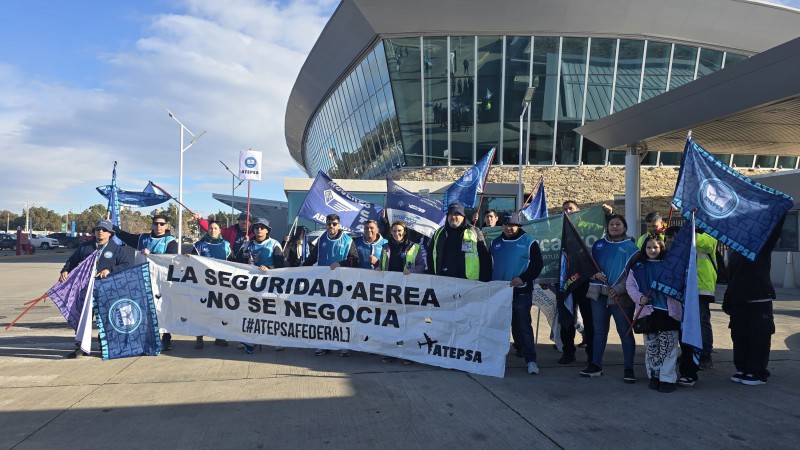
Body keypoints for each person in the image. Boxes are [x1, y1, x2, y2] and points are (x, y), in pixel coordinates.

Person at [723, 214, 785, 386]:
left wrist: (780, 213)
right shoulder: (734, 251)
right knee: (739, 335)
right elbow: (731, 278)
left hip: (759, 300)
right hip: (739, 301)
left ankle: (757, 372)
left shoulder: (762, 247)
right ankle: (742, 368)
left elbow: (774, 232)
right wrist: (728, 299)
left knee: (759, 337)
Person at [59, 219, 132, 358]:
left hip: (107, 289)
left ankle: (105, 345)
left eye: (104, 230)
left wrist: (110, 269)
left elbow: (126, 264)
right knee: (84, 318)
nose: (100, 232)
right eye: (97, 229)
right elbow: (72, 261)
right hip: (86, 289)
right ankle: (81, 346)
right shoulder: (85, 247)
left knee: (105, 318)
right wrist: (65, 270)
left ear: (110, 233)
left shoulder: (116, 249)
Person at [580, 214, 639, 383]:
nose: (614, 227)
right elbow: (588, 266)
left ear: (624, 227)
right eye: (612, 224)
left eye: (618, 224)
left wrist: (619, 289)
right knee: (599, 332)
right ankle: (595, 365)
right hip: (598, 294)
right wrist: (594, 274)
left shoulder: (632, 248)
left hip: (621, 297)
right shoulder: (598, 244)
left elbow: (634, 275)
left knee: (625, 333)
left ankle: (629, 368)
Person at [626, 236, 682, 393]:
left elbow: (680, 284)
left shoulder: (670, 266)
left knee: (668, 347)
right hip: (647, 312)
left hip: (667, 312)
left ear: (661, 248)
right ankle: (654, 376)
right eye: (649, 247)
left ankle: (668, 378)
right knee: (652, 347)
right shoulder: (638, 267)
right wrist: (639, 298)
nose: (652, 250)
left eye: (655, 247)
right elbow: (630, 286)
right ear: (644, 249)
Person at [114, 213, 179, 350]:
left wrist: (152, 255)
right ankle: (147, 337)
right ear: (152, 225)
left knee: (163, 309)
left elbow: (171, 259)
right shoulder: (143, 238)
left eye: (162, 224)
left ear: (166, 226)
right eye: (156, 223)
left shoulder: (170, 241)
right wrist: (112, 227)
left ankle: (166, 338)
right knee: (145, 310)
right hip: (143, 279)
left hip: (162, 282)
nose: (158, 226)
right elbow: (125, 236)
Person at [490, 213, 544, 375]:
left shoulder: (529, 242)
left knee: (523, 326)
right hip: (499, 292)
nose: (508, 228)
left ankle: (531, 361)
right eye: (506, 225)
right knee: (499, 326)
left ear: (518, 226)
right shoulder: (495, 242)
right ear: (502, 226)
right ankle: (496, 358)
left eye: (512, 225)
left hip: (521, 291)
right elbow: (488, 265)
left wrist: (523, 278)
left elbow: (537, 265)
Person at [304, 214, 360, 356]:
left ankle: (344, 344)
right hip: (324, 284)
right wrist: (299, 269)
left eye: (334, 224)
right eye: (329, 223)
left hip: (342, 284)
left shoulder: (348, 240)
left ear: (339, 225)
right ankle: (324, 344)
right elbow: (312, 258)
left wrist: (341, 263)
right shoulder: (322, 238)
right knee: (325, 314)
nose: (331, 226)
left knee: (342, 314)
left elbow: (355, 260)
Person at [376, 220, 426, 364]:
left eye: (399, 231)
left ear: (404, 232)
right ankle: (390, 351)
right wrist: (378, 268)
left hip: (407, 289)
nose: (396, 234)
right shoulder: (385, 247)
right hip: (390, 289)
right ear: (390, 232)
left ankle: (408, 353)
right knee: (390, 321)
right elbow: (382, 264)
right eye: (394, 231)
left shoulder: (414, 247)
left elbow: (422, 266)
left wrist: (411, 271)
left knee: (407, 321)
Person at [236, 218, 285, 354]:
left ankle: (276, 340)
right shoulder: (247, 245)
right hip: (250, 285)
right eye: (256, 227)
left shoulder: (274, 244)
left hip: (270, 284)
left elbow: (281, 265)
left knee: (272, 312)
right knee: (251, 311)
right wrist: (247, 262)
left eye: (262, 227)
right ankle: (249, 339)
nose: (259, 230)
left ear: (267, 230)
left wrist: (268, 267)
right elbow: (235, 262)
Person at [190, 220, 232, 349]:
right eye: (211, 228)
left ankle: (219, 337)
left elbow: (232, 263)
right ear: (207, 230)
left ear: (220, 230)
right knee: (202, 311)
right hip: (203, 284)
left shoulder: (226, 245)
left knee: (220, 311)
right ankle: (199, 337)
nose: (213, 230)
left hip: (221, 284)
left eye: (215, 228)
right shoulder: (199, 245)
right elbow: (191, 263)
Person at [428, 202, 492, 282]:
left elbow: (485, 258)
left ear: (463, 216)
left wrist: (484, 281)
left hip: (467, 283)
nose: (453, 217)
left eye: (457, 214)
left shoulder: (474, 232)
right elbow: (430, 256)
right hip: (442, 281)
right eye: (450, 214)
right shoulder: (439, 233)